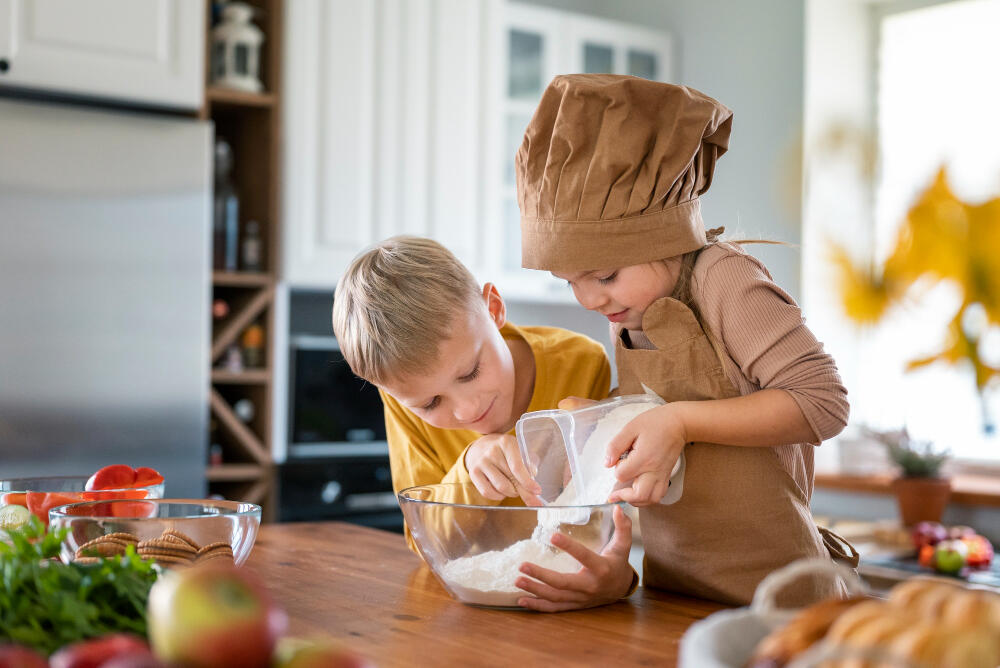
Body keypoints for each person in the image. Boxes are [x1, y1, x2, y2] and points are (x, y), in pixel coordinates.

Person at [513, 74, 857, 609]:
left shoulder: (723, 279)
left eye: (603, 275)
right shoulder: (632, 305)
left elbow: (824, 403)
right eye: (569, 281)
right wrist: (601, 426)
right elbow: (659, 415)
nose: (589, 299)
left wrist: (680, 423)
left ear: (662, 237)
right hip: (672, 590)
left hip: (778, 600)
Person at [330, 235, 619, 564]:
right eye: (430, 404)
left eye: (469, 373)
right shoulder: (401, 401)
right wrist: (469, 470)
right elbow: (428, 542)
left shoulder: (581, 362)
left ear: (493, 309)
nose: (467, 410)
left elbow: (594, 516)